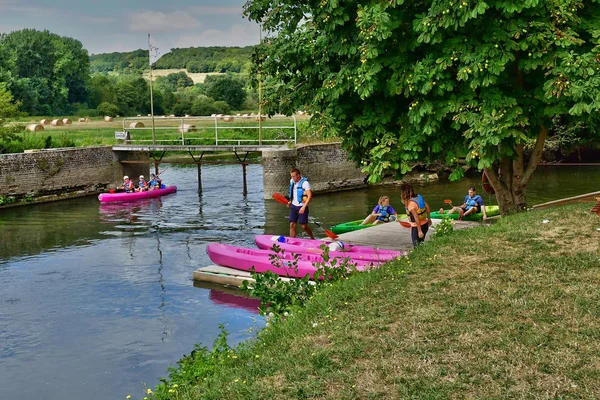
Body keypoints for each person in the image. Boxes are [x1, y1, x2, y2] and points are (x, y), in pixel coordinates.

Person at [400, 183, 432, 248]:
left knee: (416, 246)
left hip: (417, 227)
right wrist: (428, 219)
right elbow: (427, 207)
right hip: (425, 225)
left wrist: (419, 231)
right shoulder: (419, 197)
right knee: (421, 244)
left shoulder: (410, 204)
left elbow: (416, 217)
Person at [287, 168, 315, 239]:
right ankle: (291, 241)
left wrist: (304, 207)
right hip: (293, 206)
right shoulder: (292, 181)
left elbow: (310, 196)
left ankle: (312, 238)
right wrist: (290, 201)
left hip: (302, 206)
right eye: (291, 176)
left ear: (298, 175)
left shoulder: (305, 183)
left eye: (294, 176)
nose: (292, 178)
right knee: (292, 224)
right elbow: (294, 193)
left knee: (304, 226)